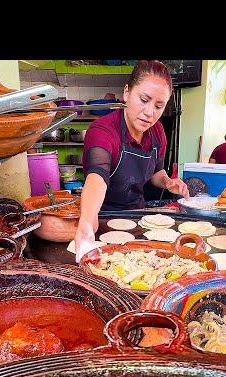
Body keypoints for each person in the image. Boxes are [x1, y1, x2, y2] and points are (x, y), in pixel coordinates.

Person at [74, 60, 189, 257]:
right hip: (102, 218)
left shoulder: (157, 131)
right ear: (127, 92)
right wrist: (86, 220)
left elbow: (156, 173)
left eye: (159, 106)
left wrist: (168, 182)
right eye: (144, 100)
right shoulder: (103, 130)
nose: (149, 113)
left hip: (139, 217)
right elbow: (97, 179)